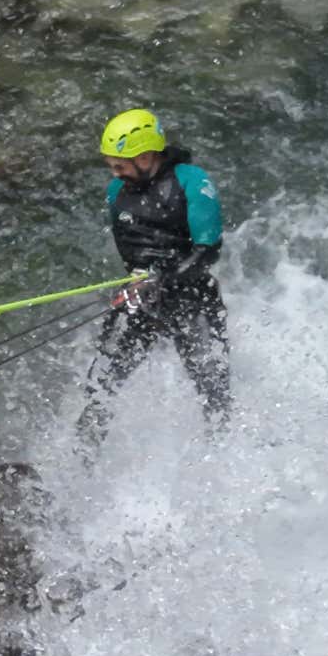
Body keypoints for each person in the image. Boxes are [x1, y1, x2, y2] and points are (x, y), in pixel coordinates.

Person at [77, 108, 232, 447]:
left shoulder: (193, 181)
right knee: (101, 383)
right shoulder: (116, 190)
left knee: (212, 386)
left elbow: (208, 249)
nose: (114, 172)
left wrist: (165, 277)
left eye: (120, 164)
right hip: (141, 295)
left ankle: (221, 450)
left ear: (146, 156)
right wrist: (139, 282)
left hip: (192, 295)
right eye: (111, 164)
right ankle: (82, 460)